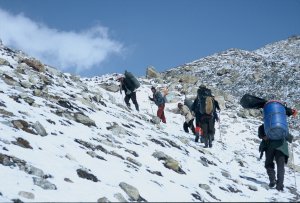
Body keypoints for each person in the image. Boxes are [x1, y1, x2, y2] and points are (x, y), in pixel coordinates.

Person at [258, 105, 297, 191]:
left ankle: (272, 180)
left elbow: (261, 136)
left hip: (269, 147)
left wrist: (265, 137)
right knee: (281, 167)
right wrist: (290, 138)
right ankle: (280, 186)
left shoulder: (264, 127)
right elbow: (289, 138)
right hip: (281, 147)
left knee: (268, 164)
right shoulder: (282, 126)